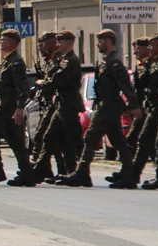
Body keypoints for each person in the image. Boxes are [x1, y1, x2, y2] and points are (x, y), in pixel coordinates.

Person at [58, 29, 141, 187]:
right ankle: (129, 174)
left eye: (101, 41)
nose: (98, 44)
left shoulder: (114, 63)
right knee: (118, 141)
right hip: (105, 106)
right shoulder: (106, 62)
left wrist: (134, 105)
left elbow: (125, 85)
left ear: (108, 42)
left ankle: (83, 172)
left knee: (90, 137)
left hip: (108, 107)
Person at [0, 29, 34, 186]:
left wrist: (19, 107)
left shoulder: (16, 62)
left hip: (7, 106)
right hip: (3, 104)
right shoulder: (7, 61)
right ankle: (27, 173)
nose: (1, 43)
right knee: (14, 140)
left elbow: (23, 88)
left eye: (3, 40)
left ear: (11, 43)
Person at [110, 35, 158, 189]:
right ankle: (131, 174)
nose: (136, 51)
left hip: (156, 108)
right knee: (143, 141)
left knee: (150, 142)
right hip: (149, 107)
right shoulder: (150, 64)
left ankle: (134, 175)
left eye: (140, 47)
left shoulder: (155, 63)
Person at [28, 32, 64, 182]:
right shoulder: (48, 61)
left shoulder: (59, 60)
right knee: (53, 141)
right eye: (40, 45)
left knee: (42, 136)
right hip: (47, 104)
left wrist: (41, 83)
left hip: (55, 104)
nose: (41, 48)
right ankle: (49, 169)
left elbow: (54, 82)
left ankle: (38, 168)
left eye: (44, 44)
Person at [51, 30, 86, 178]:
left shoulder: (71, 60)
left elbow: (59, 79)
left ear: (69, 43)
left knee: (71, 139)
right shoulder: (62, 59)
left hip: (69, 104)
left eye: (60, 41)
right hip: (62, 103)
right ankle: (67, 170)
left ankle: (77, 172)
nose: (58, 44)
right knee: (56, 137)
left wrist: (48, 82)